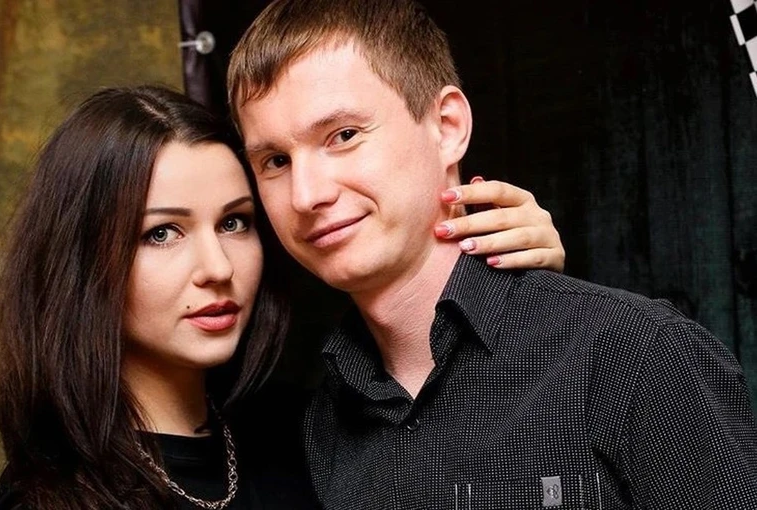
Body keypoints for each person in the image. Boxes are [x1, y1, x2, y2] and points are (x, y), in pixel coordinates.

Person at [227, 0, 757, 508]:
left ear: (447, 127)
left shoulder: (634, 355)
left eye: (343, 135)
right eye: (275, 161)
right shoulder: (322, 428)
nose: (306, 194)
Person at [0, 85, 565, 508]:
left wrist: (529, 295)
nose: (217, 268)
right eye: (162, 233)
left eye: (234, 223)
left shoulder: (313, 428)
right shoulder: (48, 494)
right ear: (83, 261)